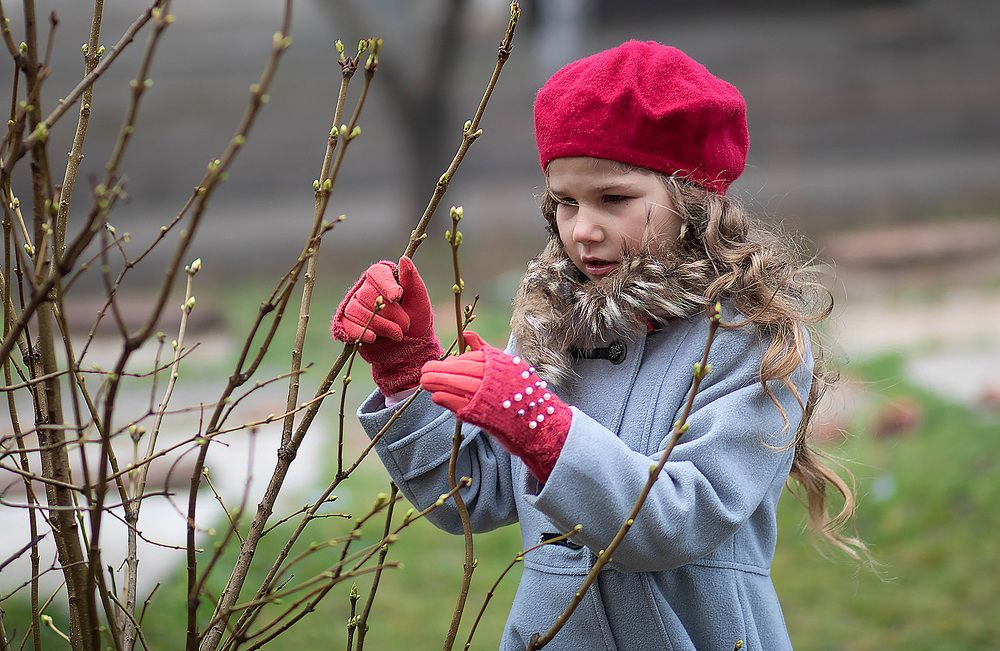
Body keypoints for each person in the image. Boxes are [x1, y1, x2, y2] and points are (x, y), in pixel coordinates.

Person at [332, 41, 864, 651]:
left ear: (691, 201)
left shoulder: (753, 339)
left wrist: (541, 425)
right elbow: (470, 501)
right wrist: (408, 371)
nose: (582, 228)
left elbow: (677, 520)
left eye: (614, 199)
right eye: (565, 202)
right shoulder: (555, 324)